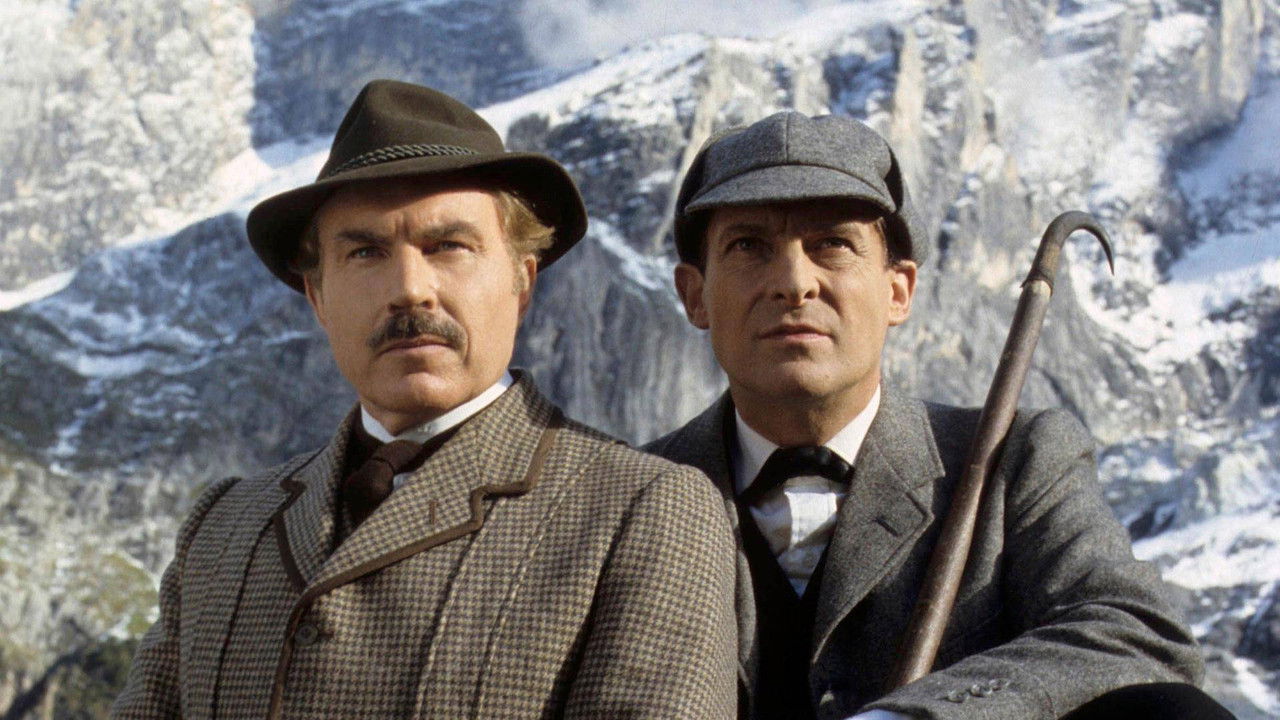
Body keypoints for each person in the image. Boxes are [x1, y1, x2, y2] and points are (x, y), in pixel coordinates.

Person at [112, 79, 737, 720]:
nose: (410, 289)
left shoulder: (644, 514)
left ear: (522, 281)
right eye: (366, 252)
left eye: (449, 247)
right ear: (318, 297)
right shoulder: (222, 529)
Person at [644, 111, 1221, 719]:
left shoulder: (1014, 462)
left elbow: (1135, 632)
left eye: (833, 244)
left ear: (898, 292)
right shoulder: (625, 496)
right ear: (694, 295)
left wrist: (910, 717)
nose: (794, 283)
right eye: (748, 247)